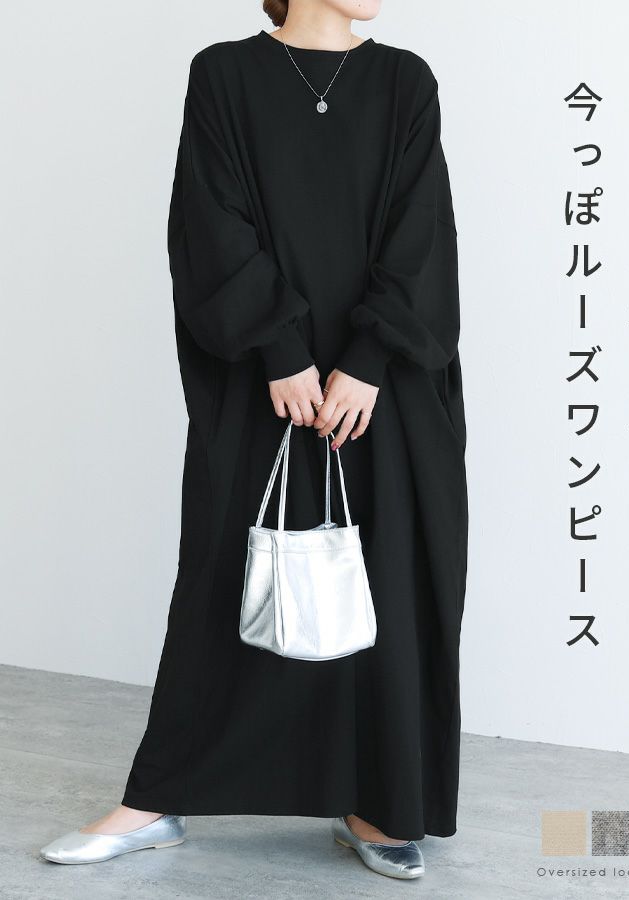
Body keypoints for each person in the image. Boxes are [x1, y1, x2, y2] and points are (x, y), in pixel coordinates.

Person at [40, 0, 468, 881]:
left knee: (386, 582)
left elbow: (422, 227)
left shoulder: (404, 80)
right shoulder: (225, 74)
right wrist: (278, 348)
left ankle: (377, 802)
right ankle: (156, 801)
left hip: (383, 386)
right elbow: (210, 217)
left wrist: (367, 360)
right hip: (261, 376)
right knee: (223, 574)